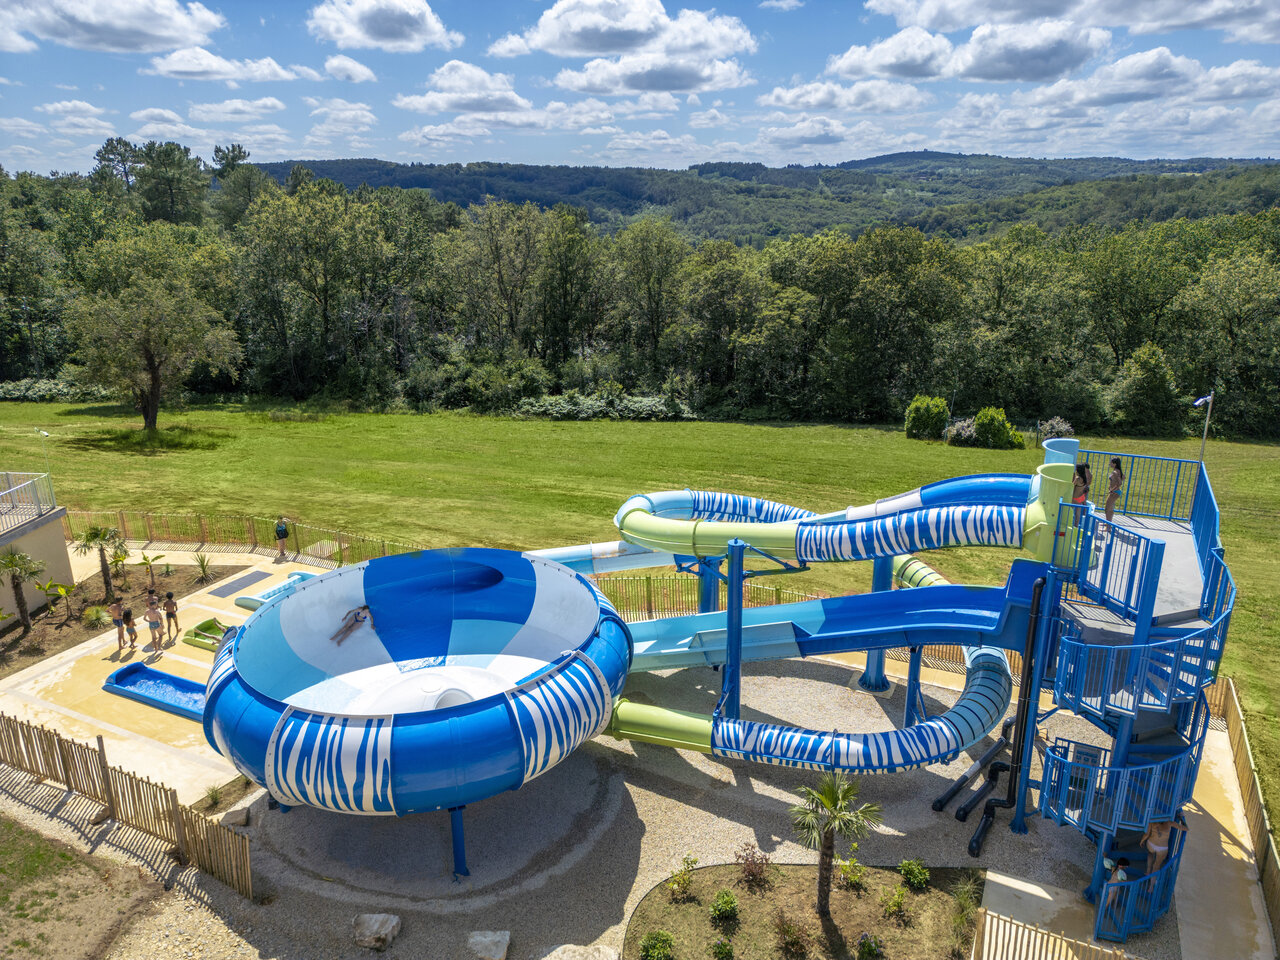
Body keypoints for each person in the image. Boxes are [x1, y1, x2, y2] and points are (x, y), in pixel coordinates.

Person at [1105, 457, 1125, 522]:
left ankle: (1108, 526)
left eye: (1111, 462)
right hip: (1116, 492)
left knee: (1107, 509)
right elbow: (1123, 477)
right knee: (1110, 509)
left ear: (1115, 464)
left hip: (1114, 492)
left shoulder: (1115, 472)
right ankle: (1108, 523)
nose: (1109, 464)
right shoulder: (1118, 471)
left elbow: (1120, 483)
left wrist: (1112, 489)